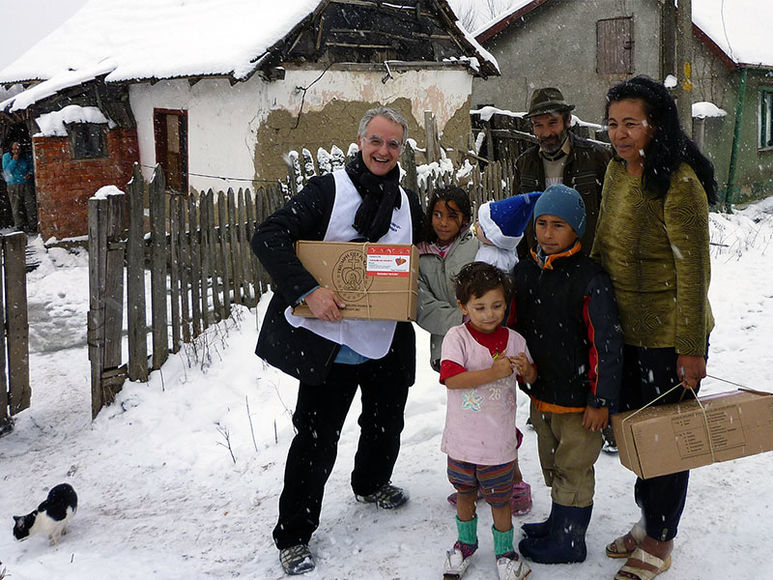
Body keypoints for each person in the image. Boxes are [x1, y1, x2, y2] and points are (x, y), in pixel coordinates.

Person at [251, 107, 424, 576]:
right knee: (315, 440)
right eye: (376, 141)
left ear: (401, 149)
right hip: (329, 341)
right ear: (360, 141)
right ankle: (293, 535)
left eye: (393, 144)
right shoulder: (329, 190)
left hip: (385, 336)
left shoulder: (406, 201)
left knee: (385, 423)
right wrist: (308, 288)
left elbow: (426, 249)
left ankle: (371, 483)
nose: (383, 151)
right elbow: (268, 236)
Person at [591, 75, 716, 580]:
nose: (620, 134)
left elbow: (694, 273)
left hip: (669, 337)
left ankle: (661, 539)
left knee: (666, 441)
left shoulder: (679, 183)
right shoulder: (617, 172)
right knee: (638, 438)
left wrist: (690, 348)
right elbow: (601, 242)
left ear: (655, 124)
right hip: (624, 332)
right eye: (613, 123)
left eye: (631, 124)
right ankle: (648, 522)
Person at [508, 184, 623, 564]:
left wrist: (600, 400)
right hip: (543, 392)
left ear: (577, 229)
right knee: (553, 461)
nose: (547, 233)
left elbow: (605, 345)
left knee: (574, 467)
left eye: (559, 225)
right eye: (541, 223)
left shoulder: (590, 279)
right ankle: (560, 522)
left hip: (579, 401)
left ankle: (570, 541)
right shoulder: (526, 271)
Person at [417, 188, 538, 517]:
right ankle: (474, 482)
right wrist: (461, 322)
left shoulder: (479, 248)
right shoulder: (421, 253)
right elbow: (420, 301)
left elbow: (497, 289)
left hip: (490, 337)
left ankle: (511, 483)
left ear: (466, 220)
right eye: (438, 214)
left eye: (452, 215)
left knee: (498, 422)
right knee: (469, 420)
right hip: (454, 343)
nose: (443, 222)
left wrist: (479, 316)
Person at [513, 87, 617, 452]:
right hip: (543, 267)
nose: (546, 132)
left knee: (594, 342)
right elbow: (522, 214)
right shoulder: (525, 163)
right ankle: (547, 406)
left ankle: (604, 415)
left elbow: (611, 211)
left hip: (586, 267)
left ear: (567, 121)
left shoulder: (597, 157)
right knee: (549, 341)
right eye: (539, 125)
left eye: (552, 123)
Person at [439, 261, 534, 580]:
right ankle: (465, 545)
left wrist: (527, 369)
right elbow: (451, 378)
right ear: (463, 306)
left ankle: (505, 552)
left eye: (497, 305)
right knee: (465, 495)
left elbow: (533, 375)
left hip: (498, 445)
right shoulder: (457, 338)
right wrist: (493, 373)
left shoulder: (515, 341)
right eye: (479, 307)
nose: (489, 314)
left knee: (500, 499)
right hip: (463, 443)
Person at [2, 142, 36, 233]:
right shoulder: (6, 157)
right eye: (14, 149)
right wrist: (14, 160)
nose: (16, 151)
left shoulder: (25, 156)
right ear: (11, 149)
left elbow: (32, 166)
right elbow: (6, 171)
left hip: (26, 183)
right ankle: (19, 226)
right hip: (13, 184)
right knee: (16, 206)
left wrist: (30, 173)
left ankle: (33, 225)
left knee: (30, 205)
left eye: (18, 149)